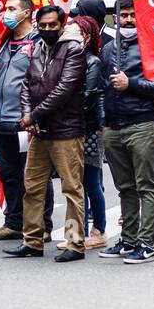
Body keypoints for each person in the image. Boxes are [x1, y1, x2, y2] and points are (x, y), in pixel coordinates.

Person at [5, 5, 88, 262]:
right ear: (37, 25)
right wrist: (28, 117)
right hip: (39, 131)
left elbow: (64, 90)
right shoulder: (38, 48)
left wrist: (33, 116)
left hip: (66, 130)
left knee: (72, 189)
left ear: (62, 25)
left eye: (53, 25)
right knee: (32, 187)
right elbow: (27, 85)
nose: (47, 29)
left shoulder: (73, 49)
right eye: (43, 26)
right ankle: (32, 241)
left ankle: (75, 244)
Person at [98, 0, 154, 263]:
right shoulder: (108, 50)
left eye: (132, 15)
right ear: (115, 18)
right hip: (113, 127)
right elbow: (102, 89)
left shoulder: (152, 47)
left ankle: (146, 244)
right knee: (125, 187)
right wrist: (104, 119)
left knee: (145, 186)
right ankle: (128, 240)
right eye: (124, 15)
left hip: (141, 123)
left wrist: (132, 84)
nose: (128, 20)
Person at [0, 0, 53, 241]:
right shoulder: (3, 42)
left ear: (26, 13)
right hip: (1, 119)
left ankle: (43, 225)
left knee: (34, 175)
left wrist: (34, 115)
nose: (6, 12)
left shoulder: (38, 41)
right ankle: (14, 222)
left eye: (11, 8)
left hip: (26, 121)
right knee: (9, 174)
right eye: (5, 8)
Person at [64, 14, 108, 249]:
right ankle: (73, 234)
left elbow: (88, 96)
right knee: (72, 184)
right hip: (68, 129)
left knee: (90, 182)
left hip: (88, 129)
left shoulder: (92, 61)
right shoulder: (65, 58)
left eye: (75, 33)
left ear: (87, 37)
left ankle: (99, 230)